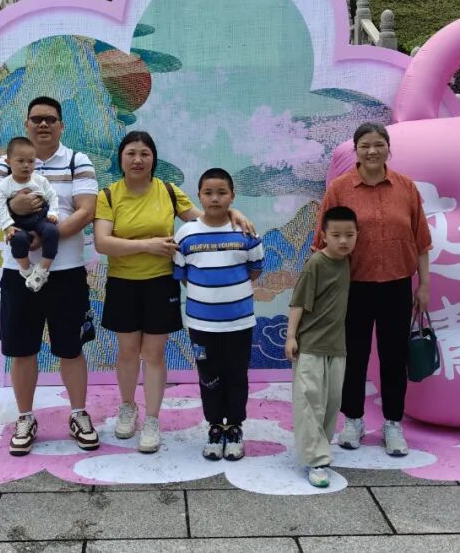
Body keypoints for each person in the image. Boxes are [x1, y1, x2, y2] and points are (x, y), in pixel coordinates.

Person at [93, 132, 254, 454]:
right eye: (131, 153)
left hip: (160, 283)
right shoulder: (108, 195)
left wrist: (233, 214)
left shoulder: (167, 191)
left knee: (153, 354)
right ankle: (128, 407)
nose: (138, 160)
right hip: (123, 283)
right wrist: (148, 245)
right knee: (127, 352)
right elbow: (102, 242)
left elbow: (205, 219)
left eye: (145, 153)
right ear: (121, 159)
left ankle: (152, 419)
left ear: (153, 158)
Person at [0, 96, 100, 456]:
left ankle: (78, 414)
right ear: (26, 124)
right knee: (21, 349)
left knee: (71, 348)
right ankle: (25, 418)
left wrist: (48, 237)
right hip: (18, 274)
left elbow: (87, 210)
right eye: (36, 119)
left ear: (61, 125)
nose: (43, 124)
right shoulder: (6, 163)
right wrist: (12, 206)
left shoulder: (78, 160)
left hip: (66, 272)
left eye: (50, 119)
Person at [315, 122, 432, 457]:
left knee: (394, 357)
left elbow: (421, 241)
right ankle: (353, 420)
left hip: (397, 285)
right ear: (356, 150)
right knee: (353, 356)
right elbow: (322, 242)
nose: (372, 151)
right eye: (365, 145)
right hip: (352, 287)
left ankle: (393, 424)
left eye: (378, 144)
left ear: (388, 148)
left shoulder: (405, 187)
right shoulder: (340, 189)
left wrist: (424, 285)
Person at [173, 168, 264, 461]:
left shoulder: (246, 232)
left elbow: (255, 270)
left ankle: (234, 428)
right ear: (199, 196)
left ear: (232, 196)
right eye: (208, 193)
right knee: (208, 376)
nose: (215, 198)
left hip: (239, 322)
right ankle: (215, 428)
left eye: (222, 192)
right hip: (201, 325)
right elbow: (183, 275)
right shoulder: (186, 234)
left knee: (236, 375)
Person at [286, 206, 357, 488]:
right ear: (324, 236)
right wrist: (291, 337)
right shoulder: (316, 263)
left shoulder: (348, 262)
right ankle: (315, 460)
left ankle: (321, 450)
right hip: (311, 346)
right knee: (309, 403)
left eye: (349, 234)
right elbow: (298, 302)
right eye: (336, 235)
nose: (343, 240)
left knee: (330, 404)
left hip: (337, 347)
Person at [0, 137, 60, 292]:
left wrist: (53, 212)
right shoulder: (5, 185)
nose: (26, 165)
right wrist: (7, 226)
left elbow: (52, 196)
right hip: (18, 222)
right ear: (8, 162)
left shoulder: (40, 180)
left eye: (31, 161)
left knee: (52, 231)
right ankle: (27, 270)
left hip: (40, 217)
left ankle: (42, 270)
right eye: (20, 161)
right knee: (17, 239)